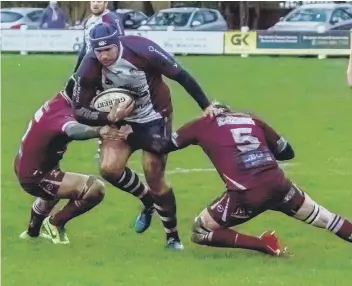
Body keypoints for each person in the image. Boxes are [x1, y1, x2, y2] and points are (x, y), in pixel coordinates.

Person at [116, 104, 352, 256]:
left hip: (246, 194)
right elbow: (287, 152)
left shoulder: (202, 124)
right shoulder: (251, 119)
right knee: (325, 218)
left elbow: (161, 145)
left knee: (200, 231)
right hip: (279, 185)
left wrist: (132, 137)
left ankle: (264, 245)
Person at [68, 22, 221, 250]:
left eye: (108, 49)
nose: (103, 56)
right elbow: (78, 110)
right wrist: (108, 117)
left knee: (153, 173)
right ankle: (148, 201)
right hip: (119, 119)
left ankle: (172, 237)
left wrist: (205, 105)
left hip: (155, 116)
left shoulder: (142, 49)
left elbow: (181, 75)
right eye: (98, 51)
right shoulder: (88, 67)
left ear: (118, 42)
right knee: (109, 169)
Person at [14, 90, 123, 244]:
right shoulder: (65, 114)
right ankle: (55, 224)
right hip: (35, 175)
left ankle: (32, 233)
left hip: (28, 164)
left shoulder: (60, 101)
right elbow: (71, 130)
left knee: (52, 191)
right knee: (94, 188)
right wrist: (98, 131)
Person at [73, 1, 124, 72]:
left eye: (99, 1)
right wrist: (77, 70)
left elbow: (122, 42)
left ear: (105, 3)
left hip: (106, 67)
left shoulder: (112, 19)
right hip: (89, 65)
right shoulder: (88, 20)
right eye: (93, 1)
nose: (95, 4)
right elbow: (85, 46)